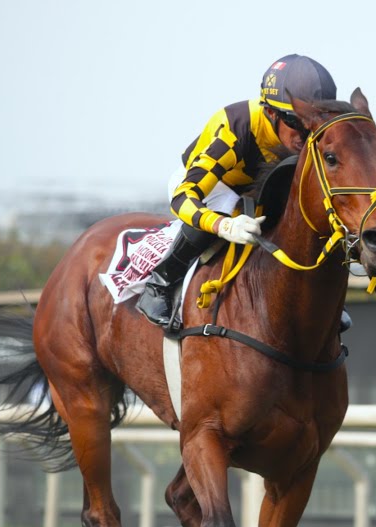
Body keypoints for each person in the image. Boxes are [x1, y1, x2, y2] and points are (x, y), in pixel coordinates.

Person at [136, 54, 340, 328]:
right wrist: (223, 225)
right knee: (224, 205)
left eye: (316, 121)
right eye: (297, 122)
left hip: (256, 192)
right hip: (212, 186)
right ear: (271, 112)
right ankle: (159, 284)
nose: (307, 134)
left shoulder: (310, 139)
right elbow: (183, 197)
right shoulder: (235, 128)